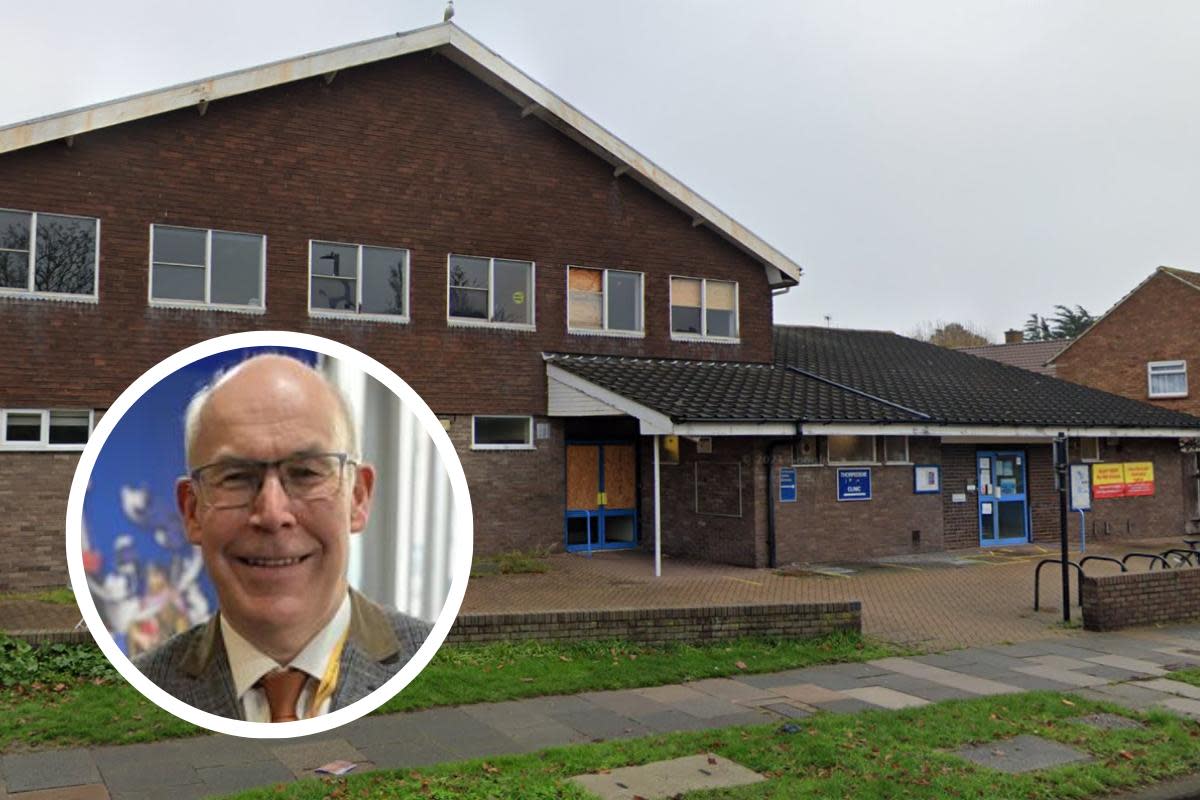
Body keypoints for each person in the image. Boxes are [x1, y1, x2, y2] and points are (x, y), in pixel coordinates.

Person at [134, 354, 431, 722]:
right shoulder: (144, 684)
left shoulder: (429, 654)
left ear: (357, 499)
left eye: (305, 473)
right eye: (236, 477)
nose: (273, 515)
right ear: (192, 511)